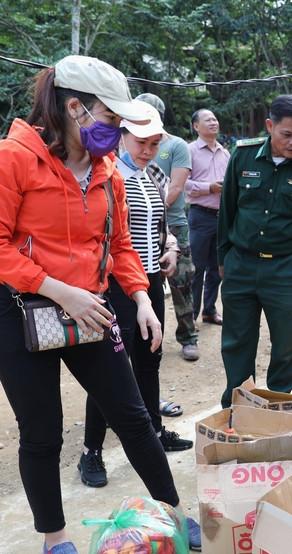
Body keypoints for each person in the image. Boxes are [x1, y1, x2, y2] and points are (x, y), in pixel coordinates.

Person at [0, 55, 201, 554]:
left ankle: (173, 511)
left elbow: (118, 244)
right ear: (74, 107)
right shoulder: (11, 159)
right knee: (43, 433)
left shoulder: (105, 171)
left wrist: (141, 298)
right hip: (22, 312)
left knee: (135, 418)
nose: (118, 129)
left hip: (91, 311)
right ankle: (54, 537)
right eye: (111, 117)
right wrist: (58, 290)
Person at [78, 101, 193, 489]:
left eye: (155, 142)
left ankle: (155, 433)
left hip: (149, 284)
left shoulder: (152, 174)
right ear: (122, 135)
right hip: (116, 286)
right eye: (141, 141)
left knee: (148, 361)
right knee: (111, 371)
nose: (148, 149)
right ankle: (91, 451)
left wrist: (171, 247)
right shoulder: (109, 174)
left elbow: (159, 222)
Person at [217, 94, 292, 407]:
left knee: (284, 345)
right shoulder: (243, 155)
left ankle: (279, 405)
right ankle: (238, 406)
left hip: (285, 269)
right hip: (240, 264)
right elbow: (226, 210)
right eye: (287, 134)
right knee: (237, 342)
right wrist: (223, 258)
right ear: (270, 126)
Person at [135, 92, 198, 366]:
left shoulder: (175, 145)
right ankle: (145, 337)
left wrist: (154, 210)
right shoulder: (127, 144)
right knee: (144, 285)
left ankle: (189, 337)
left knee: (181, 282)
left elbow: (175, 186)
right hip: (138, 226)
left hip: (173, 224)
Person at [186, 108, 229, 328]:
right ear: (196, 126)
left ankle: (209, 311)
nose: (213, 122)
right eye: (207, 120)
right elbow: (183, 184)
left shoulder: (225, 152)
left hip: (222, 218)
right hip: (200, 216)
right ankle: (191, 316)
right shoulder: (189, 151)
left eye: (215, 118)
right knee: (197, 268)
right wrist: (209, 188)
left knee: (217, 268)